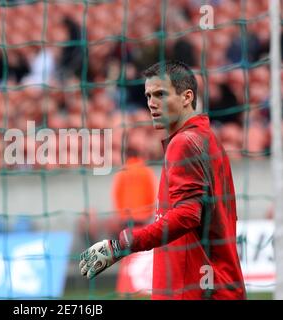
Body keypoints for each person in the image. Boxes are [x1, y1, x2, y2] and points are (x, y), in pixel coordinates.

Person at [79, 61, 246, 300]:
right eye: (148, 96)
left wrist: (121, 245)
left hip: (198, 291)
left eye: (160, 94)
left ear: (187, 97)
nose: (151, 103)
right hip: (213, 285)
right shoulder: (205, 139)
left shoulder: (184, 143)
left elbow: (188, 214)